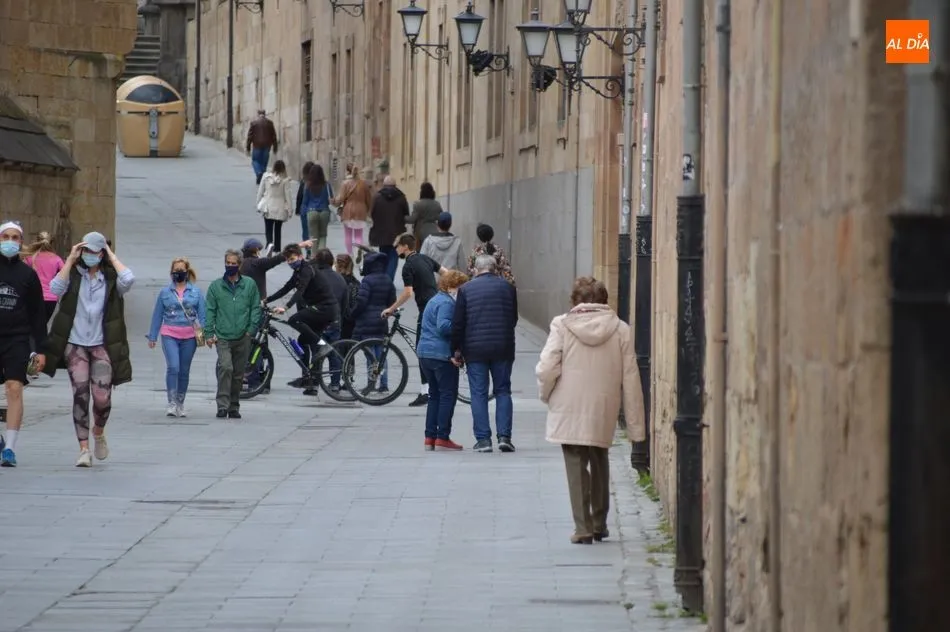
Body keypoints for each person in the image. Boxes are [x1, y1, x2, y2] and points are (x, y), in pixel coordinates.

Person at [535, 277, 645, 544]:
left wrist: (545, 391)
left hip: (569, 403)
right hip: (603, 403)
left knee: (575, 463)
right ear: (604, 300)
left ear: (575, 301)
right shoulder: (620, 329)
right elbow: (631, 377)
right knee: (599, 457)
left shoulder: (562, 325)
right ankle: (599, 522)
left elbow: (547, 366)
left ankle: (582, 527)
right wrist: (635, 425)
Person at [45, 232, 135, 468]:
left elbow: (129, 277)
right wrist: (70, 260)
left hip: (101, 344)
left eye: (95, 252)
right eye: (87, 251)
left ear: (102, 254)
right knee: (81, 394)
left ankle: (98, 431)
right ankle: (84, 449)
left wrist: (110, 252)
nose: (90, 256)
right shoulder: (74, 276)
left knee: (102, 398)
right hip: (75, 344)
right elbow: (55, 288)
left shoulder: (111, 279)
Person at [451, 254, 518, 453]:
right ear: (495, 268)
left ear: (475, 269)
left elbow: (458, 323)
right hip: (503, 347)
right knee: (503, 391)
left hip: (475, 349)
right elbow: (513, 318)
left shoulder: (465, 290)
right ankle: (504, 437)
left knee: (478, 394)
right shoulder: (508, 288)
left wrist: (455, 350)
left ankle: (483, 440)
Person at [0, 221, 48, 467]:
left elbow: (38, 314)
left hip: (17, 338)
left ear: (20, 242)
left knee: (14, 388)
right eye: (6, 236)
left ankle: (9, 447)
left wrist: (41, 349)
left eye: (14, 237)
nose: (10, 241)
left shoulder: (27, 275)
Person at [382, 233, 447, 407]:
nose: (396, 249)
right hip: (437, 306)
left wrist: (391, 308)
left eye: (397, 246)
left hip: (426, 311)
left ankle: (426, 392)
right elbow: (446, 273)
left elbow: (408, 293)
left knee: (421, 350)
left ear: (405, 247)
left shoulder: (408, 266)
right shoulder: (425, 259)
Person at [266, 244, 339, 384]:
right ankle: (309, 378)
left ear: (300, 256)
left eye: (292, 259)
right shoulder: (298, 271)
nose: (290, 262)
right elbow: (286, 288)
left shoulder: (307, 270)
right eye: (288, 260)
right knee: (302, 341)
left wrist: (286, 307)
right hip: (320, 308)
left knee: (294, 320)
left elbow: (300, 291)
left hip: (325, 308)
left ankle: (323, 346)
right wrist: (266, 300)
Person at [146, 258, 206, 418]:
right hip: (169, 333)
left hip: (189, 336)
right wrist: (152, 335)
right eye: (175, 270)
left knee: (184, 371)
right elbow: (157, 314)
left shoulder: (196, 292)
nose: (178, 273)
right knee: (174, 367)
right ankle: (171, 402)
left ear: (187, 272)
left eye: (181, 270)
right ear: (171, 272)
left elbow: (203, 315)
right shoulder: (165, 292)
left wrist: (208, 334)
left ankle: (180, 402)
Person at [205, 249, 261, 419]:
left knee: (238, 374)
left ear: (239, 265)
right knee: (226, 368)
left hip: (242, 336)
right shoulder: (216, 286)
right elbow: (210, 311)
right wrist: (209, 332)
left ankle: (233, 406)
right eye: (227, 263)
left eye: (233, 263)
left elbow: (255, 308)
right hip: (223, 336)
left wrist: (251, 330)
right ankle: (222, 405)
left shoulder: (249, 284)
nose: (230, 266)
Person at [417, 270, 469, 451]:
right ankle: (442, 436)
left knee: (434, 396)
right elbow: (444, 326)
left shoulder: (434, 299)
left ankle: (429, 437)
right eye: (460, 287)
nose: (462, 292)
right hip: (440, 355)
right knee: (448, 395)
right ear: (451, 287)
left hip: (425, 353)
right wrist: (462, 327)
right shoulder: (447, 303)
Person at [349, 252, 396, 393]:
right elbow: (391, 301)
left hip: (366, 322)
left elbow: (361, 301)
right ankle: (384, 384)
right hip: (382, 321)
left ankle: (371, 384)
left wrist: (353, 313)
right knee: (381, 354)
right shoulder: (388, 279)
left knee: (370, 355)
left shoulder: (367, 280)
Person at [313, 248, 349, 392]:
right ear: (331, 261)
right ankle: (335, 382)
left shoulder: (314, 277)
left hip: (317, 322)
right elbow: (345, 303)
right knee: (334, 352)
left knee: (317, 351)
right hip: (334, 322)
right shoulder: (340, 279)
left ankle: (314, 382)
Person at [369, 175, 410, 280]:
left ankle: (383, 279)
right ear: (395, 185)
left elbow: (372, 214)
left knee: (383, 255)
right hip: (397, 233)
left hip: (381, 233)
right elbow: (406, 213)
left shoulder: (377, 197)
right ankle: (388, 279)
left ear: (384, 185)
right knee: (394, 257)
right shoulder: (401, 197)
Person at [22, 231, 65, 323]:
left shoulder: (29, 258)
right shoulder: (57, 259)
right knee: (42, 327)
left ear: (37, 241)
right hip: (51, 298)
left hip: (32, 296)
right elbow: (65, 275)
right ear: (52, 243)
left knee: (30, 326)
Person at [332, 164, 372, 255]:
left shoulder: (345, 183)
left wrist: (334, 202)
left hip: (348, 211)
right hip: (361, 211)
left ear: (347, 172)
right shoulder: (364, 184)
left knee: (348, 234)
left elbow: (341, 199)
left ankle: (350, 254)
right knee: (358, 234)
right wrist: (368, 210)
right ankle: (359, 251)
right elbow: (368, 200)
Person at [257, 159, 293, 251]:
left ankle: (269, 243)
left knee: (268, 228)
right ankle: (277, 248)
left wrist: (258, 204)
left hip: (268, 206)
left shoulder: (266, 177)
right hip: (280, 207)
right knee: (278, 229)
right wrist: (290, 210)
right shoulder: (285, 180)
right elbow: (288, 196)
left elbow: (260, 191)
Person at [302, 164, 334, 251]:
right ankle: (322, 256)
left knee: (313, 237)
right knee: (323, 235)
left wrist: (304, 214)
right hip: (324, 211)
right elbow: (331, 199)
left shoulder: (308, 185)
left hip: (311, 211)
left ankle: (314, 258)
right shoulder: (327, 185)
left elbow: (305, 202)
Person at [245, 109, 278, 185]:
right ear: (264, 114)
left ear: (258, 114)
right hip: (267, 146)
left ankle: (259, 173)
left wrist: (248, 147)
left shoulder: (254, 123)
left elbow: (250, 136)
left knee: (255, 161)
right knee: (264, 163)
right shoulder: (270, 123)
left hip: (257, 146)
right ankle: (262, 177)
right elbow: (274, 136)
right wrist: (275, 147)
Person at [407, 182, 442, 250]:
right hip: (434, 232)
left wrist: (402, 218)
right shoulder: (437, 204)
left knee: (421, 253)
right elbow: (440, 218)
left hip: (421, 234)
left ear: (422, 192)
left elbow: (412, 219)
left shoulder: (418, 204)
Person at [335, 253, 360, 341]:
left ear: (337, 266)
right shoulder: (355, 282)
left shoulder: (337, 280)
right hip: (352, 319)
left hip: (340, 319)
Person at [295, 162, 314, 248]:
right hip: (316, 209)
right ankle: (313, 248)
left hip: (305, 210)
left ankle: (308, 249)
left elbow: (299, 196)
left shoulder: (304, 181)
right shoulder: (319, 182)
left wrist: (297, 209)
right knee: (314, 231)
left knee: (305, 231)